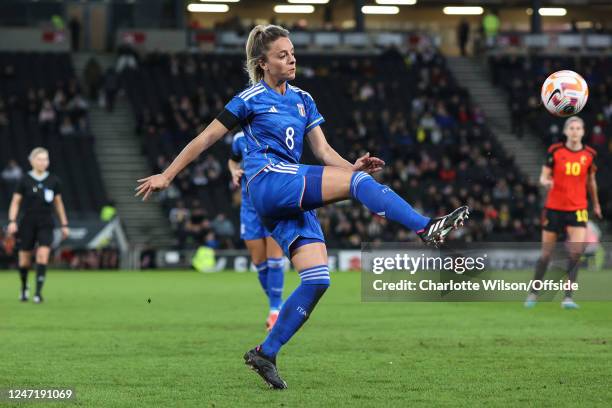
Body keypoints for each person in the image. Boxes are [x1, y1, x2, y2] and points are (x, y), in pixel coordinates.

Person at [135, 25, 469, 389]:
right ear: (263, 64)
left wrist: (351, 168)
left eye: (292, 52)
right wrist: (167, 175)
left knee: (317, 279)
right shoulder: (249, 99)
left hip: (288, 192)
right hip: (268, 181)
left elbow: (323, 152)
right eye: (282, 55)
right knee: (358, 187)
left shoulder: (304, 99)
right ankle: (426, 227)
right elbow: (205, 138)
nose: (291, 58)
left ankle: (266, 352)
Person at [525, 116, 601, 310]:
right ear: (566, 132)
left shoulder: (589, 155)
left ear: (583, 132)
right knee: (546, 254)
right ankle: (533, 293)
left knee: (575, 253)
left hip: (578, 209)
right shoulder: (555, 151)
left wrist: (597, 204)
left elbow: (591, 181)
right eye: (572, 128)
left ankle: (568, 298)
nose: (575, 132)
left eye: (578, 128)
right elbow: (543, 176)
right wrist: (546, 182)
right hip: (554, 208)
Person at [229, 131, 285, 331]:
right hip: (249, 207)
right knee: (259, 263)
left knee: (274, 259)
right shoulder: (238, 139)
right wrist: (234, 171)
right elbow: (233, 160)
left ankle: (275, 311)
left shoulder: (274, 131)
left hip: (272, 203)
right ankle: (280, 307)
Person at [6, 147, 70, 303]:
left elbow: (59, 204)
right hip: (27, 221)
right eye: (40, 159)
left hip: (46, 221)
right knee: (24, 259)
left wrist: (64, 224)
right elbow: (15, 202)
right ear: (32, 161)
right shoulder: (24, 180)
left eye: (46, 159)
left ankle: (38, 293)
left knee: (42, 255)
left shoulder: (54, 180)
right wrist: (12, 221)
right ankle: (24, 288)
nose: (43, 162)